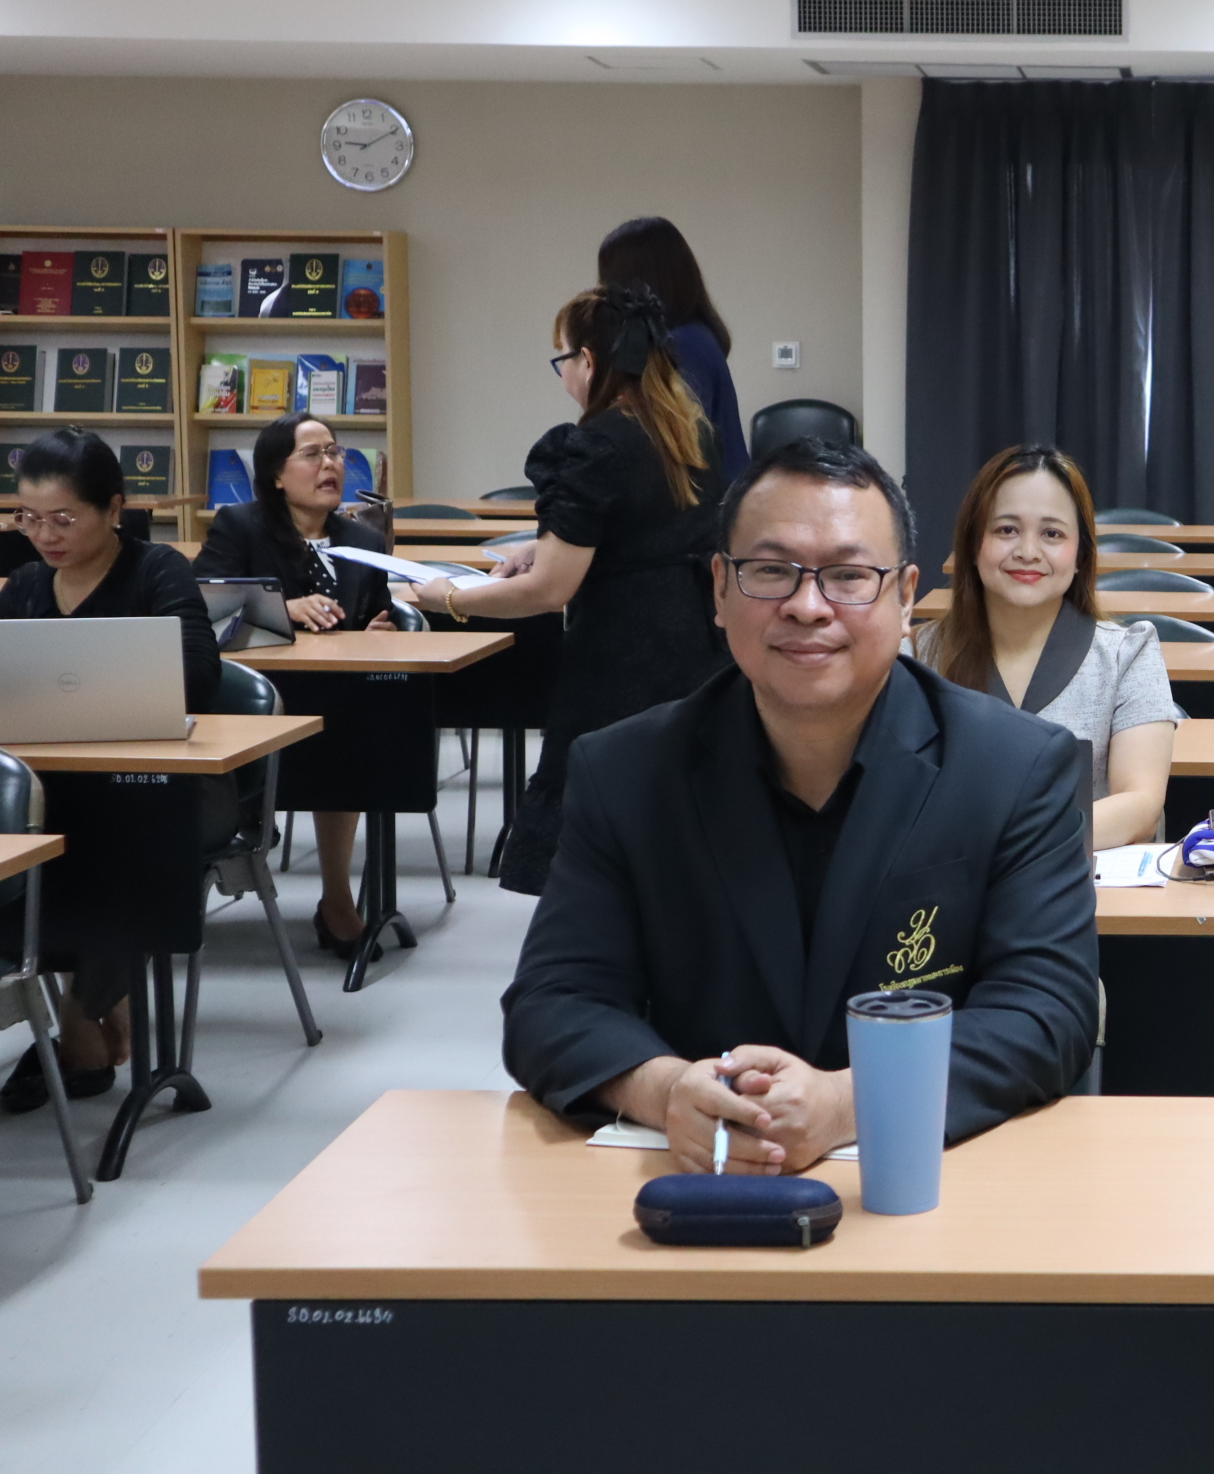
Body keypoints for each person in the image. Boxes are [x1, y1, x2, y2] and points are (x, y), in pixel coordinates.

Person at [501, 438, 1100, 1173]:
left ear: (906, 597)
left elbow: (1047, 1010)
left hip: (927, 1188)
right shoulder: (624, 771)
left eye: (849, 575)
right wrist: (668, 1091)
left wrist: (849, 1101)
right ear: (719, 588)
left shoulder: (1014, 768)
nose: (808, 607)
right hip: (700, 1184)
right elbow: (551, 1002)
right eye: (771, 571)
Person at [422, 283, 730, 897]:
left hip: (623, 658)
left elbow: (548, 591)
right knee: (672, 829)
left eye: (562, 359)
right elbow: (646, 534)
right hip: (696, 644)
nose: (562, 374)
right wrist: (546, 544)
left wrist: (448, 598)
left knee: (597, 842)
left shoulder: (597, 443)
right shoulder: (685, 431)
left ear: (588, 361)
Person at [0, 428, 222, 1112]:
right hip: (52, 789)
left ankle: (78, 1013)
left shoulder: (157, 571)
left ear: (114, 508)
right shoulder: (27, 586)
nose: (44, 536)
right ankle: (90, 1006)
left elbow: (198, 678)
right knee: (35, 840)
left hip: (161, 789)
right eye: (29, 518)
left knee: (116, 844)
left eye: (64, 519)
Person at [193, 411, 392, 955]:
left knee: (350, 740)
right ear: (276, 475)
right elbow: (203, 606)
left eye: (334, 452)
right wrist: (285, 609)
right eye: (312, 454)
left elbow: (379, 612)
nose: (330, 464)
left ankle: (337, 900)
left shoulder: (363, 538)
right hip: (255, 700)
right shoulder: (241, 525)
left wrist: (381, 631)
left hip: (339, 696)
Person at [914, 445, 1175, 850]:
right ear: (972, 544)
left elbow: (1141, 805)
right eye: (1006, 530)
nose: (1028, 552)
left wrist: (1012, 845)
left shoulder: (1128, 654)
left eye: (1052, 534)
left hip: (1083, 880)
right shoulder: (916, 657)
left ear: (1080, 554)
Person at [598, 216, 747, 482]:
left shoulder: (683, 345)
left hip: (711, 500)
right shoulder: (693, 337)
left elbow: (679, 449)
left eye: (609, 283)